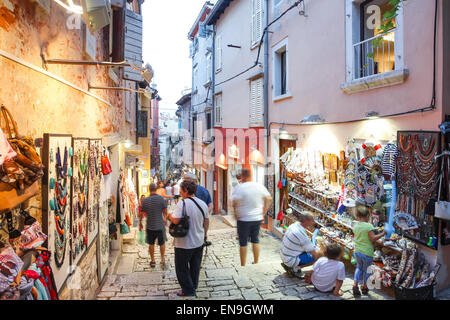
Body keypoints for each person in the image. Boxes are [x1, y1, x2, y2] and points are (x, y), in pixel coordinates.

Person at [168, 180, 210, 297]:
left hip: (184, 243)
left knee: (181, 267)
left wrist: (169, 215)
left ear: (186, 190)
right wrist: (205, 234)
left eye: (181, 190)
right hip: (199, 241)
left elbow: (176, 220)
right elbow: (206, 222)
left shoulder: (182, 203)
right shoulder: (202, 204)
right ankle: (193, 285)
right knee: (195, 266)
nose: (180, 192)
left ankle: (188, 290)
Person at [231, 168, 272, 266]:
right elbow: (269, 198)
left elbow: (235, 202)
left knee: (243, 242)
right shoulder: (258, 186)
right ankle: (256, 261)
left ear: (242, 176)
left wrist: (235, 213)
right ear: (250, 175)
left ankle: (243, 264)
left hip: (243, 218)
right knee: (255, 239)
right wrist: (264, 211)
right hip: (257, 218)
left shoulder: (240, 188)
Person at [352, 205, 386, 296]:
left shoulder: (355, 225)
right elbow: (373, 238)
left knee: (359, 268)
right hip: (367, 252)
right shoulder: (368, 226)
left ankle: (355, 285)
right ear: (367, 216)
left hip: (357, 251)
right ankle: (364, 286)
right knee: (367, 270)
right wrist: (383, 233)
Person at [139, 183, 168, 268]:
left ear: (149, 189)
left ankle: (153, 260)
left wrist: (140, 223)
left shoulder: (145, 200)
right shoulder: (161, 199)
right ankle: (162, 259)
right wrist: (165, 219)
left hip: (150, 225)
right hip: (160, 225)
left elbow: (141, 214)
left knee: (151, 243)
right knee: (162, 243)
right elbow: (165, 211)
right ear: (156, 189)